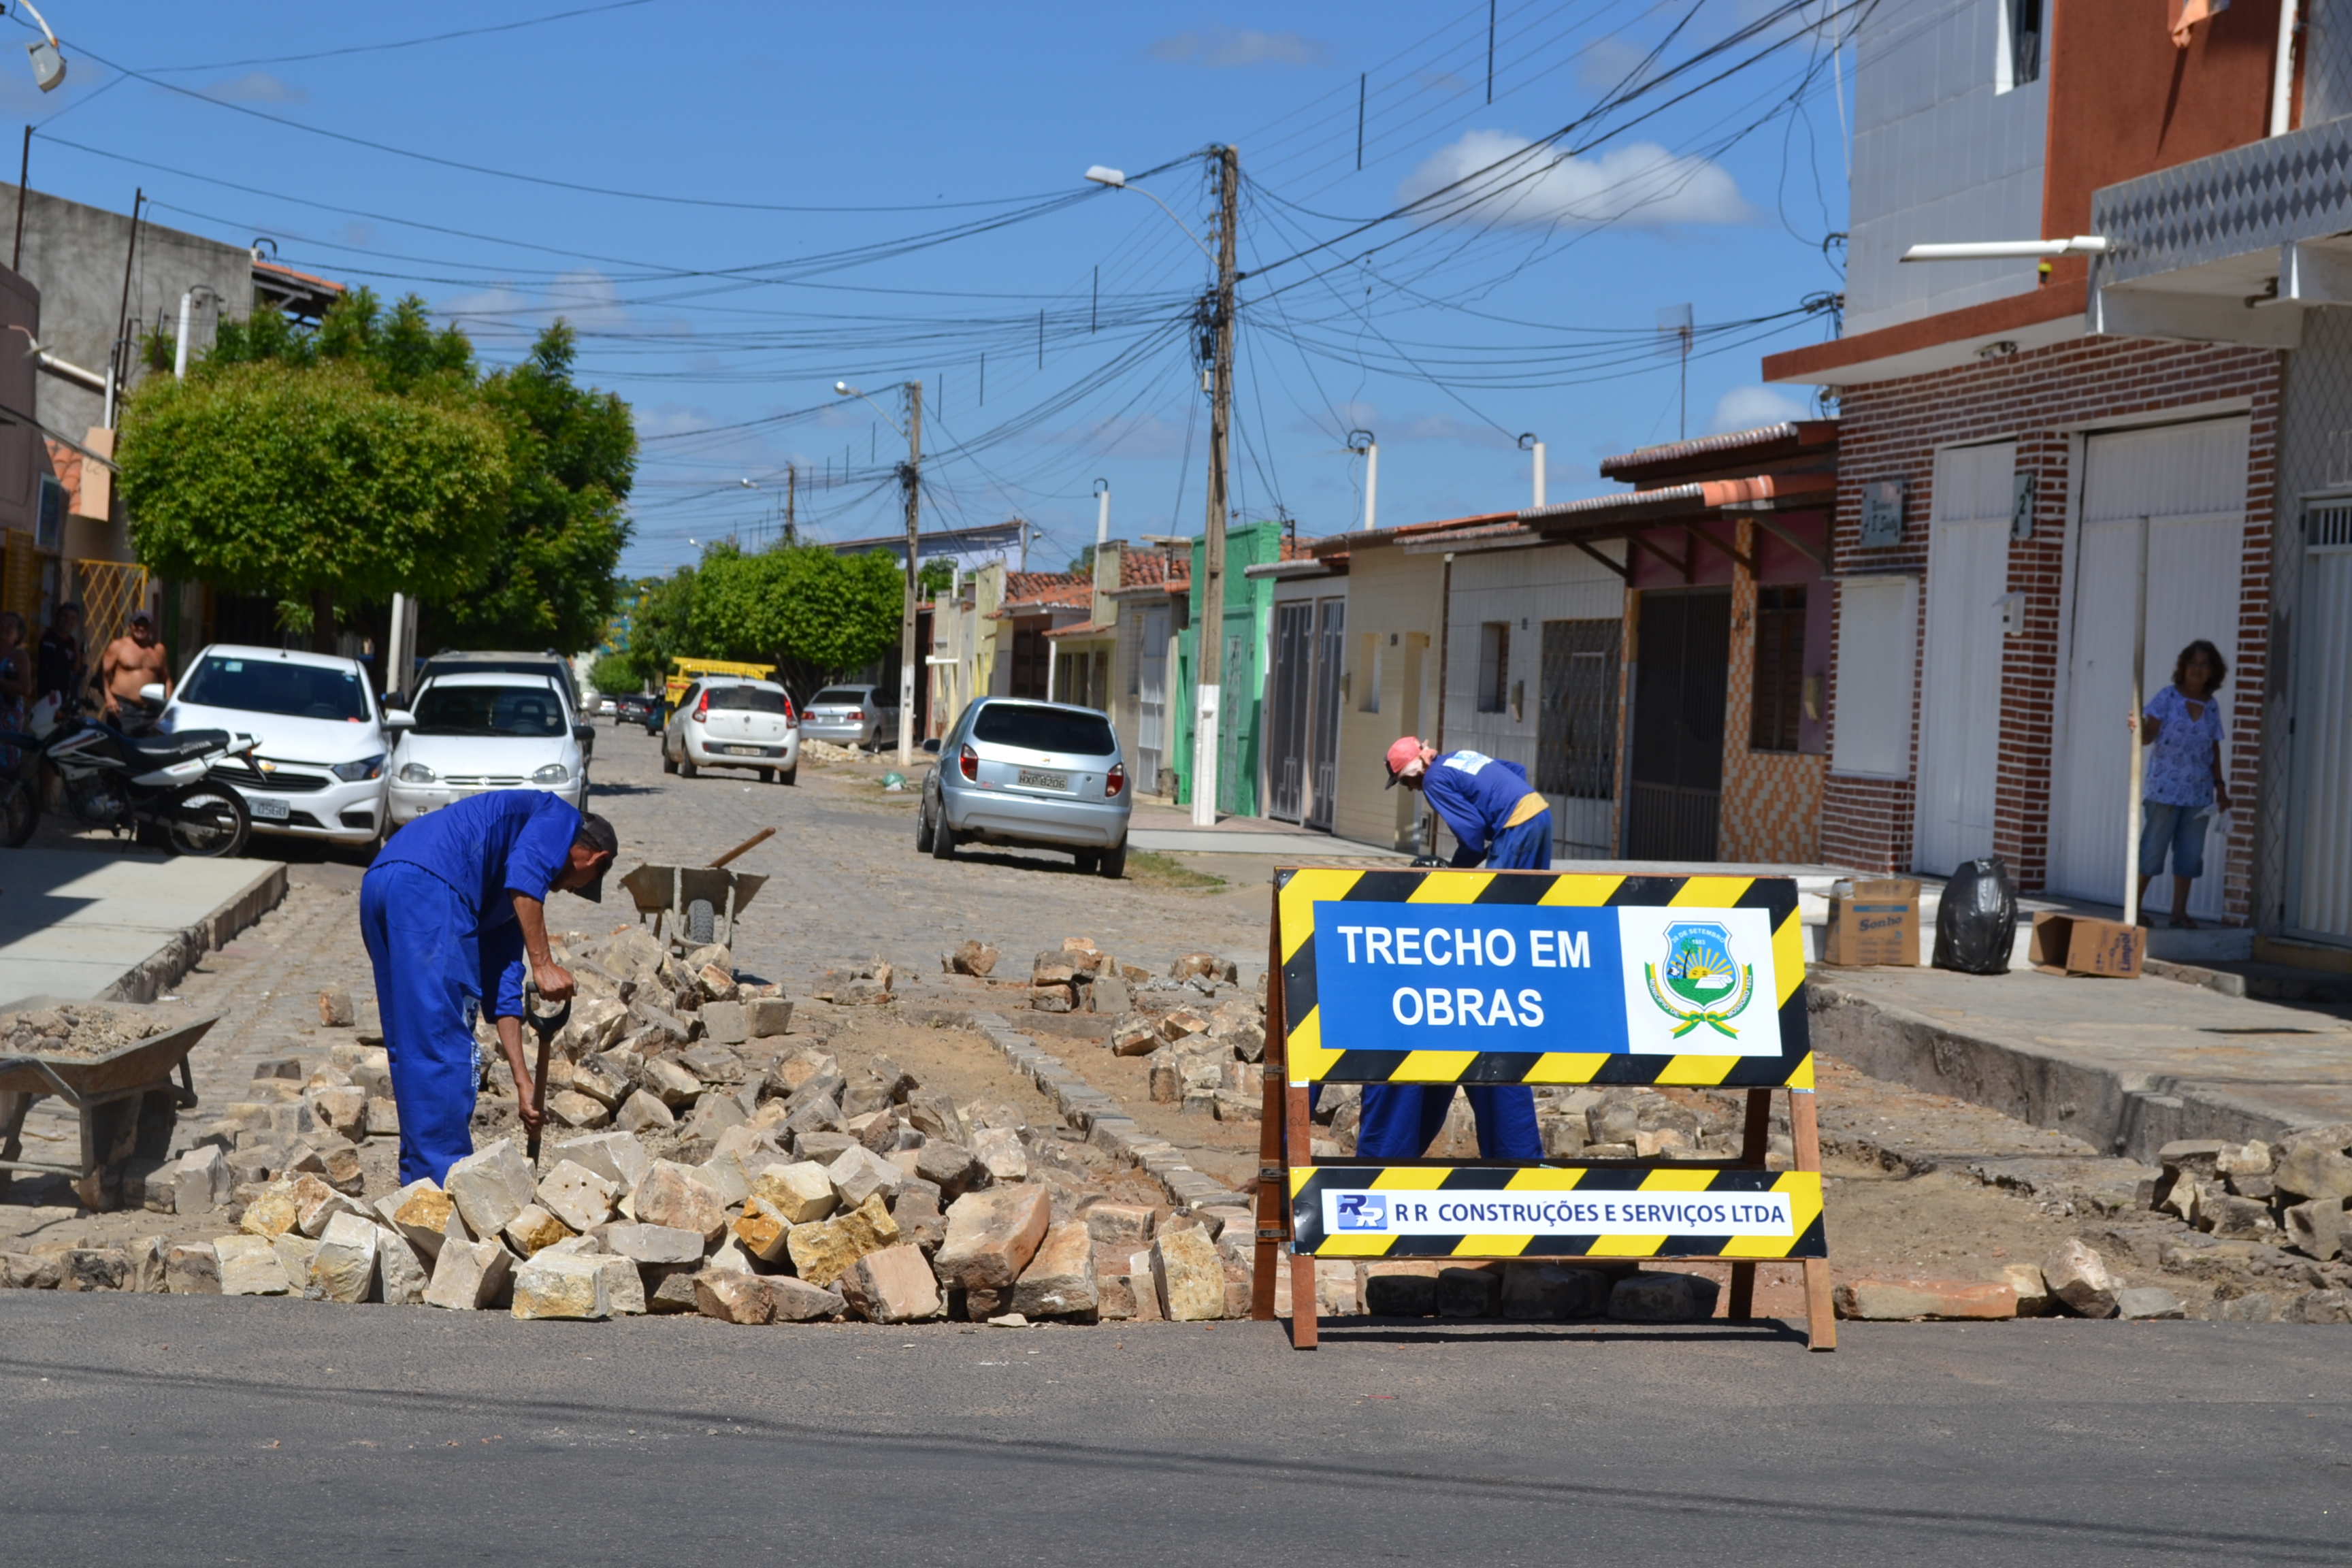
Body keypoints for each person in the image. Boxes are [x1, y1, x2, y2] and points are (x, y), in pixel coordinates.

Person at [359, 791, 619, 1186]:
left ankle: (417, 1181)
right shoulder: (559, 816)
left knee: (413, 1043)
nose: (567, 890)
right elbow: (527, 875)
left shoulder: (503, 889)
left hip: (383, 882)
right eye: (579, 885)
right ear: (594, 860)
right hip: (432, 887)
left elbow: (503, 986)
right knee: (445, 1045)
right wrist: (545, 965)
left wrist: (522, 1081)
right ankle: (444, 1185)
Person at [1345, 736, 1548, 1161]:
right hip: (1539, 813)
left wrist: (1455, 877)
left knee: (1492, 912)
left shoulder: (1436, 778)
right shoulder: (1460, 758)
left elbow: (1472, 838)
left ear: (1413, 770)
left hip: (1515, 827)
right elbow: (1515, 773)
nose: (1411, 791)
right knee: (1521, 913)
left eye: (1405, 783)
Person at [2130, 639, 2231, 930]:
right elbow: (2148, 736)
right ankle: (2133, 910)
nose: (2197, 669)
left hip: (2199, 793)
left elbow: (2214, 748)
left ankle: (2179, 913)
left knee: (2189, 855)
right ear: (2183, 667)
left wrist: (2220, 787)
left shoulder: (2211, 707)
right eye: (2193, 663)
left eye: (2204, 665)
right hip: (2164, 790)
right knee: (2152, 850)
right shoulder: (2167, 698)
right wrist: (2137, 728)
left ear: (2213, 672)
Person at [97, 609, 172, 732]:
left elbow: (167, 679)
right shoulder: (118, 646)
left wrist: (168, 706)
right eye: (137, 625)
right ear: (130, 626)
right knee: (120, 749)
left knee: (148, 750)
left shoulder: (159, 650)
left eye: (145, 625)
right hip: (124, 709)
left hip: (152, 711)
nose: (141, 628)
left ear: (152, 628)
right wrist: (109, 698)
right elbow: (102, 674)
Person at [34, 602, 82, 713]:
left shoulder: (74, 644)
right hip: (37, 694)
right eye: (64, 616)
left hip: (59, 699)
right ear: (57, 616)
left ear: (76, 623)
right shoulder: (44, 633)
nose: (68, 621)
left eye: (72, 618)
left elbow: (76, 670)